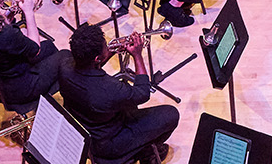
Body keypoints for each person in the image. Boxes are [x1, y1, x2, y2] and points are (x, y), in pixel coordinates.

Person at [58, 24, 181, 163]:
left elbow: (88, 68)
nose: (108, 47)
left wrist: (112, 51)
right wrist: (137, 55)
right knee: (171, 115)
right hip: (107, 144)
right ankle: (146, 154)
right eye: (106, 46)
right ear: (97, 59)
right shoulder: (109, 89)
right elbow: (143, 93)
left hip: (83, 126)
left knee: (128, 102)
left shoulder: (64, 65)